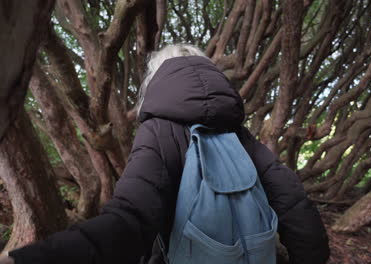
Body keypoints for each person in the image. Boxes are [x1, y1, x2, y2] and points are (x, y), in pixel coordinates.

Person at [1, 44, 330, 264]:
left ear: (157, 81)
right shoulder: (241, 136)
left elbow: (132, 218)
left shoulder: (159, 130)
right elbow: (295, 205)